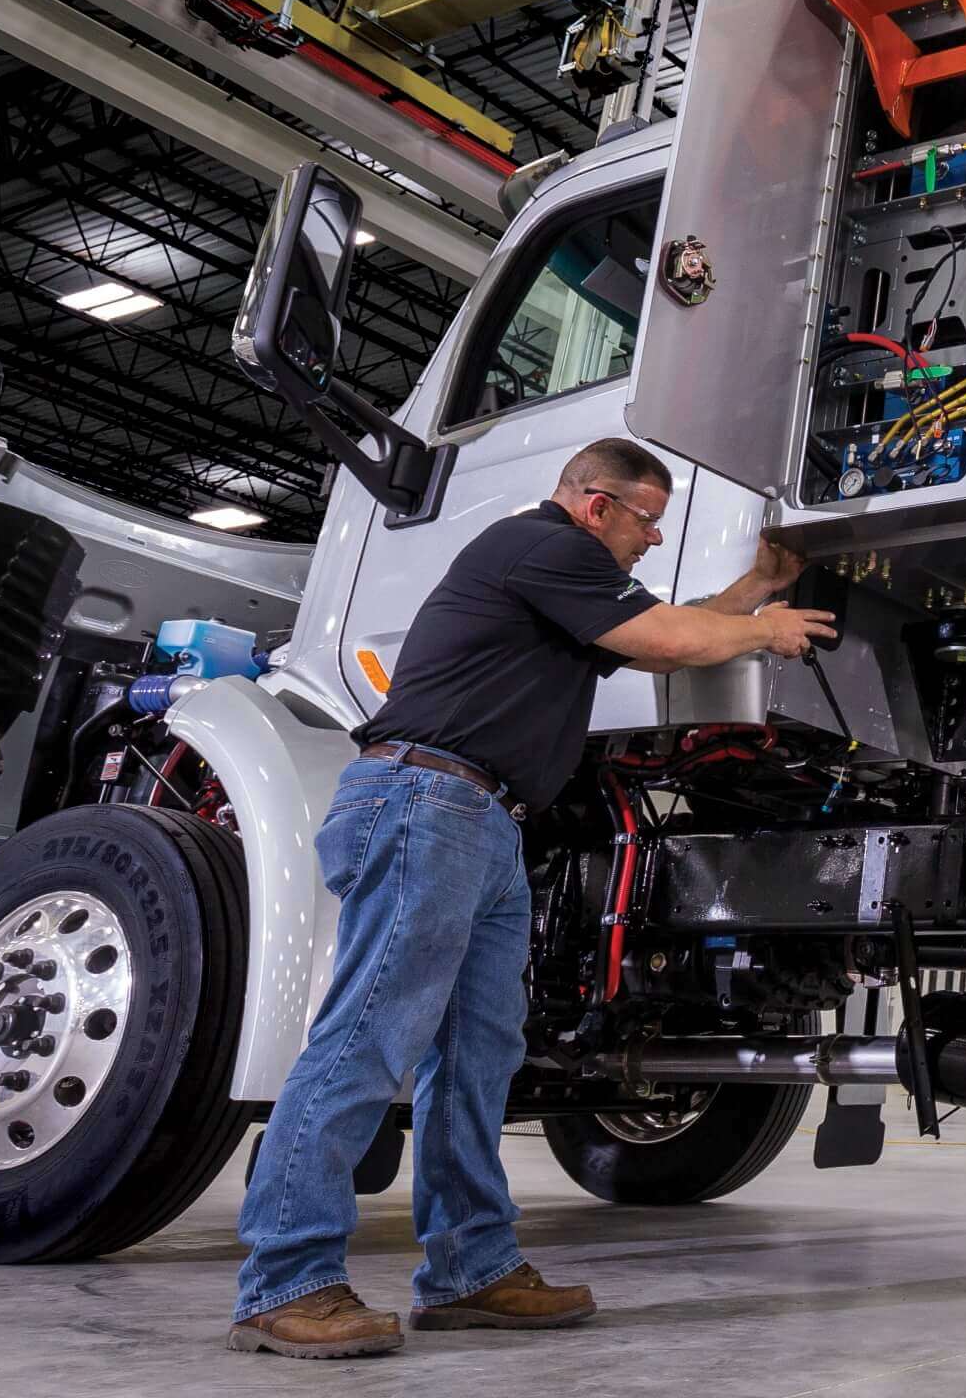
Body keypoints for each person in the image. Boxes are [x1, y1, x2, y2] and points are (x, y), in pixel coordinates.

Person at [230, 438, 837, 1358]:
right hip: (425, 803)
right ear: (596, 506)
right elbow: (670, 639)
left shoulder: (567, 584)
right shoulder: (541, 545)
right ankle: (285, 1281)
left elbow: (666, 635)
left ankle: (470, 1270)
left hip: (482, 820)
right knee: (368, 1038)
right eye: (646, 520)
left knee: (479, 1058)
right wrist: (766, 630)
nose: (652, 538)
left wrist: (756, 588)